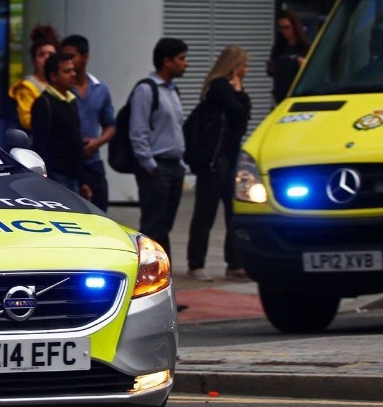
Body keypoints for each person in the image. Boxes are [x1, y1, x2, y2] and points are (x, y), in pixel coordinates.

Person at [186, 45, 252, 282]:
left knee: (234, 212)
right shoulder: (219, 87)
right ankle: (196, 264)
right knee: (206, 211)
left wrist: (241, 94)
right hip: (214, 159)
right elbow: (238, 113)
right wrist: (240, 93)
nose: (247, 70)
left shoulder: (230, 87)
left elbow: (242, 122)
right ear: (234, 66)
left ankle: (234, 263)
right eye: (244, 65)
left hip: (229, 157)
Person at [128, 37, 189, 259]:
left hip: (174, 167)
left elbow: (176, 128)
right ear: (167, 61)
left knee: (165, 224)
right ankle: (151, 268)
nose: (186, 63)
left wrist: (181, 164)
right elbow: (138, 131)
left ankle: (161, 267)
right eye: (181, 59)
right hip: (156, 166)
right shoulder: (146, 89)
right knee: (154, 224)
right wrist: (149, 164)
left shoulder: (173, 90)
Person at [60, 34, 115, 210]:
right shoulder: (62, 89)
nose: (68, 61)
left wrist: (97, 142)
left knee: (100, 210)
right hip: (68, 163)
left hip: (92, 160)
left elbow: (110, 125)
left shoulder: (100, 88)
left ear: (84, 57)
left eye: (72, 56)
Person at [30, 52, 82, 192]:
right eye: (67, 71)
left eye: (73, 70)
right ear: (53, 76)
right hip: (57, 176)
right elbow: (40, 143)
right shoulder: (44, 103)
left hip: (73, 174)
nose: (73, 74)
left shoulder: (71, 100)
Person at [7, 24, 60, 131]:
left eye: (51, 54)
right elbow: (27, 121)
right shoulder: (27, 87)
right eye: (41, 54)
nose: (46, 58)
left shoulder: (62, 84)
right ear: (34, 60)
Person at [267, 9, 310, 103]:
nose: (284, 32)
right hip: (280, 94)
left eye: (287, 27)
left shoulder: (305, 47)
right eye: (281, 28)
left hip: (298, 95)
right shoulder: (279, 48)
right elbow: (271, 70)